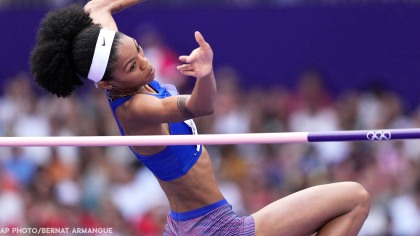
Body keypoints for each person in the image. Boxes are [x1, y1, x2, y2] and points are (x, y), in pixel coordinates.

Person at [30, 1, 371, 235]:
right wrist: (205, 75)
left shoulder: (112, 58)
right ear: (107, 83)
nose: (146, 65)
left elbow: (97, 7)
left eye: (139, 50)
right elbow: (200, 107)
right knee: (355, 198)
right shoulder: (137, 110)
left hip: (186, 223)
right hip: (214, 228)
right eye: (133, 67)